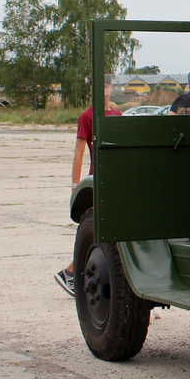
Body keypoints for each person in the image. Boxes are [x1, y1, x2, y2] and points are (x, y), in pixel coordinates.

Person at [56, 75, 122, 295]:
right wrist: (75, 185)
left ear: (111, 88)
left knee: (109, 231)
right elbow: (79, 151)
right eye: (99, 86)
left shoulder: (117, 114)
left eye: (107, 85)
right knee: (99, 229)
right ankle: (71, 272)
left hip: (116, 178)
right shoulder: (87, 116)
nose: (104, 89)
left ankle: (74, 272)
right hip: (97, 179)